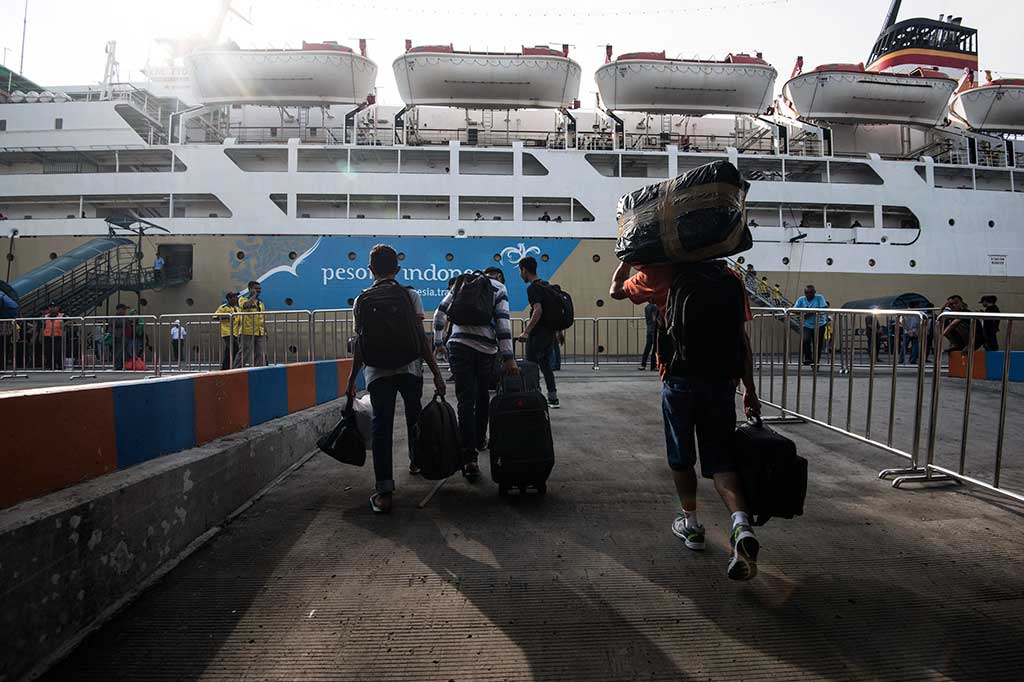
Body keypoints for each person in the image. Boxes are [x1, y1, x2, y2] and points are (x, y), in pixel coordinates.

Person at [610, 259, 763, 581]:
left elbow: (614, 291)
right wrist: (749, 389)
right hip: (722, 381)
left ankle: (691, 526)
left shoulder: (659, 272)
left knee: (681, 458)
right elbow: (741, 338)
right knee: (722, 460)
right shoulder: (729, 276)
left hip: (679, 380)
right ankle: (740, 524)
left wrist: (626, 260)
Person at [346, 244, 446, 513]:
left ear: (370, 270)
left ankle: (385, 492)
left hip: (377, 372)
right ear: (398, 270)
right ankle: (416, 461)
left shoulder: (361, 299)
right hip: (409, 368)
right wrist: (436, 373)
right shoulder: (410, 295)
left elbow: (360, 345)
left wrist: (351, 380)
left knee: (381, 427)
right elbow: (421, 338)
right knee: (415, 417)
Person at [433, 268, 519, 479]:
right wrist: (509, 357)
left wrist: (438, 342)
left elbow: (439, 313)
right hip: (485, 352)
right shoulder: (499, 288)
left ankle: (469, 458)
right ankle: (480, 439)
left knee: (465, 400)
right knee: (482, 397)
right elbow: (502, 323)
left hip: (458, 346)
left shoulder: (462, 283)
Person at [517, 256, 559, 408]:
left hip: (537, 335)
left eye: (520, 271)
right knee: (546, 367)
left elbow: (538, 310)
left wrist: (526, 332)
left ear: (524, 270)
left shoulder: (533, 288)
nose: (520, 274)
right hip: (549, 334)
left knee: (531, 367)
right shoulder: (546, 285)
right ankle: (553, 398)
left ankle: (534, 398)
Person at [793, 285, 828, 366]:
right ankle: (808, 357)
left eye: (810, 292)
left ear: (814, 293)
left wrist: (810, 313)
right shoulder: (801, 299)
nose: (808, 294)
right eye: (806, 293)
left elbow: (824, 307)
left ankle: (816, 363)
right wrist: (802, 314)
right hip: (807, 325)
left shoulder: (819, 298)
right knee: (805, 340)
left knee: (817, 344)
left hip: (819, 325)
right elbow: (794, 310)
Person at [238, 281, 266, 367]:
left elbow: (262, 317)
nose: (259, 291)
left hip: (259, 332)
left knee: (260, 354)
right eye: (256, 289)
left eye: (259, 289)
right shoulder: (243, 299)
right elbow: (245, 306)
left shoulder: (260, 303)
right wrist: (254, 296)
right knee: (244, 353)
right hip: (247, 331)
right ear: (250, 289)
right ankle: (236, 370)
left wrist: (265, 330)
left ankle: (258, 371)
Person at [214, 292, 241, 370]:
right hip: (227, 332)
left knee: (229, 350)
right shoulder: (223, 307)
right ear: (229, 299)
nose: (236, 299)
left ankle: (225, 367)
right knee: (235, 348)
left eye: (236, 297)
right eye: (234, 297)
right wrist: (227, 317)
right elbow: (215, 317)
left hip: (235, 333)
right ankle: (231, 366)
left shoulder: (237, 308)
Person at [109, 303, 136, 370]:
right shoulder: (116, 317)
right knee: (118, 352)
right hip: (119, 336)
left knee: (125, 352)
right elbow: (118, 324)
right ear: (118, 309)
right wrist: (127, 318)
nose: (124, 311)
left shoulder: (124, 317)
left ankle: (123, 365)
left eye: (125, 309)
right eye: (123, 309)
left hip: (126, 337)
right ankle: (117, 366)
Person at [41, 303, 65, 370]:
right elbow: (42, 326)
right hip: (47, 336)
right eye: (51, 307)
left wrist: (63, 325)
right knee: (49, 352)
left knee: (58, 352)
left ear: (57, 307)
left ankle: (60, 365)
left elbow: (70, 321)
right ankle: (51, 366)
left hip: (58, 336)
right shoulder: (45, 316)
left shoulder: (62, 315)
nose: (52, 308)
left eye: (54, 307)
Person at [640, 302, 659, 371]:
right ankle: (653, 366)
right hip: (654, 328)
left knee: (647, 347)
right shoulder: (654, 307)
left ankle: (643, 364)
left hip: (649, 328)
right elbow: (654, 318)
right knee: (655, 348)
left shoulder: (647, 307)